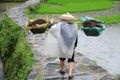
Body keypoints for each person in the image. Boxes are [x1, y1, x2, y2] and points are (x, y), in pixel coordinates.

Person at [44, 13, 78, 80]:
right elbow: (75, 36)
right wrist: (75, 44)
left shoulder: (60, 25)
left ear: (62, 19)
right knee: (71, 58)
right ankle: (70, 74)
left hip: (62, 44)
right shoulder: (75, 25)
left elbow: (53, 29)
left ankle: (62, 70)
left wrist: (51, 23)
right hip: (71, 44)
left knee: (62, 57)